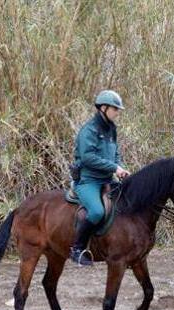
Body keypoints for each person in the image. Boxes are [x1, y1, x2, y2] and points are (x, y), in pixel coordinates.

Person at [70, 90, 130, 266]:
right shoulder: (88, 130)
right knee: (97, 211)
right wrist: (114, 167)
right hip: (88, 180)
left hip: (106, 179)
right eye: (115, 109)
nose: (117, 112)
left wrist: (120, 168)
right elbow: (87, 157)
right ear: (103, 108)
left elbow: (115, 153)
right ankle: (77, 249)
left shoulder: (111, 129)